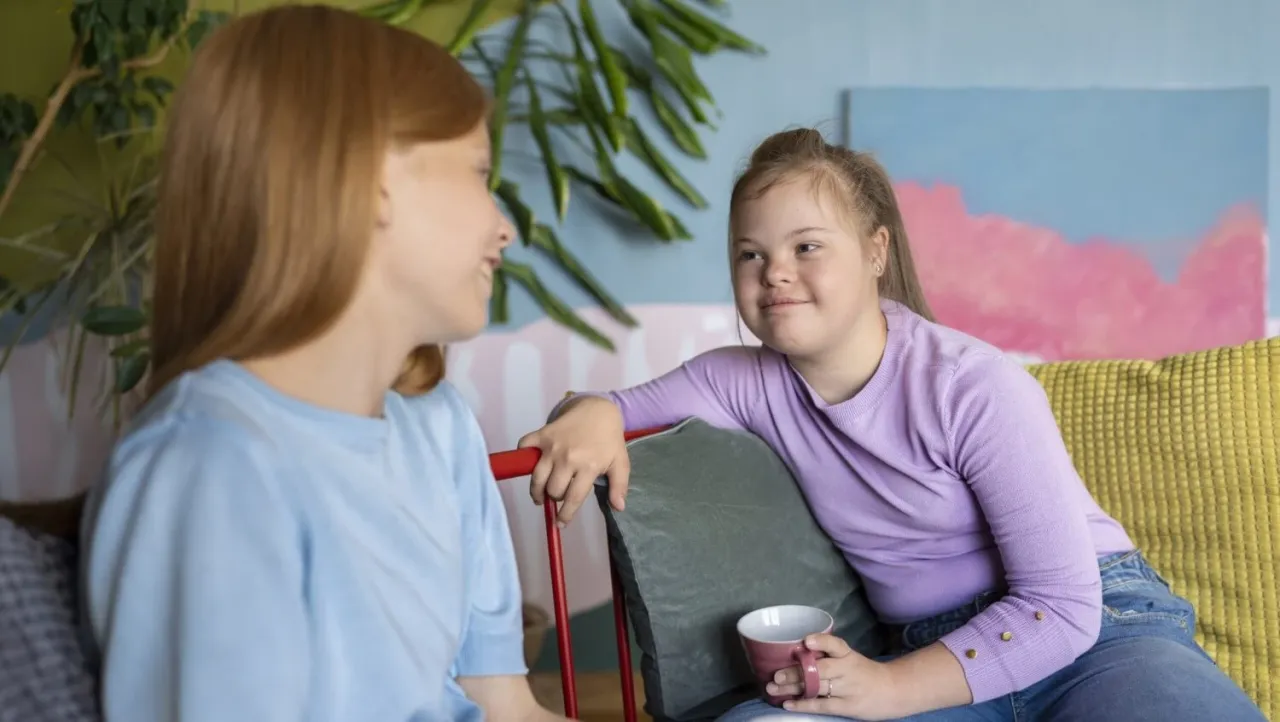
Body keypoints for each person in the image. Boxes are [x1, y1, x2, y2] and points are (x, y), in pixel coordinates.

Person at [519, 128, 1266, 721]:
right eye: (750, 253)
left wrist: (887, 689)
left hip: (1098, 634)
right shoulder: (741, 380)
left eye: (807, 246)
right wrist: (595, 412)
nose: (774, 271)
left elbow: (1061, 608)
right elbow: (619, 405)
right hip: (925, 653)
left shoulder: (972, 385)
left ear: (876, 251)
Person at [77, 6, 570, 722]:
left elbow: (504, 708)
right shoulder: (212, 469)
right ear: (368, 180)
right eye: (478, 172)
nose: (504, 229)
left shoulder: (437, 425)